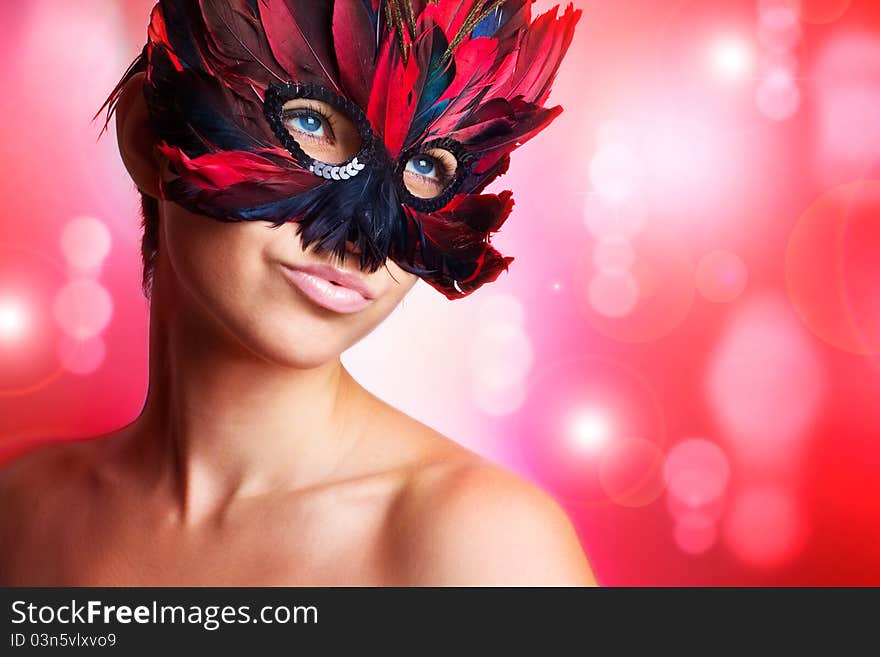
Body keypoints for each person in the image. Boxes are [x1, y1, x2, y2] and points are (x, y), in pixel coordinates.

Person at [0, 0, 596, 586]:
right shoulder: (25, 513)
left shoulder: (486, 549)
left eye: (427, 168)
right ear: (144, 135)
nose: (365, 244)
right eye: (311, 123)